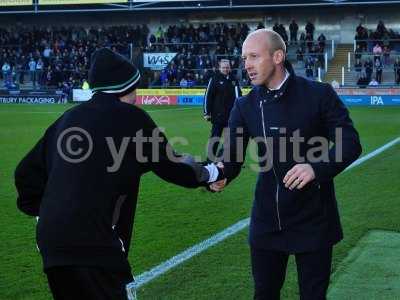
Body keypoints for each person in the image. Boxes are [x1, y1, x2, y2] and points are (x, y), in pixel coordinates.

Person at [15, 48, 223, 300]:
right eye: (135, 89)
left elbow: (25, 175)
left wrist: (45, 211)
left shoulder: (65, 120)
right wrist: (212, 173)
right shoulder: (131, 118)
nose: (136, 97)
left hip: (52, 246)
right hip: (96, 244)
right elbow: (172, 165)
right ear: (125, 87)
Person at [209, 29, 362, 299]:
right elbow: (231, 157)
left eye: (254, 56)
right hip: (267, 218)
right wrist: (218, 173)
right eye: (245, 58)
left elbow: (349, 141)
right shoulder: (244, 105)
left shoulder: (318, 94)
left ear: (278, 56)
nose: (247, 65)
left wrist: (315, 167)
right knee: (264, 293)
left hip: (314, 217)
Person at [203, 59, 241, 161]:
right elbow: (208, 96)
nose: (225, 69)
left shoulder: (234, 80)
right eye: (223, 67)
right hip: (218, 116)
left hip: (231, 116)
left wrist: (240, 113)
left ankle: (227, 160)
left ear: (230, 67)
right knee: (215, 138)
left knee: (231, 139)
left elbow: (239, 97)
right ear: (220, 68)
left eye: (227, 67)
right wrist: (207, 112)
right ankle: (209, 160)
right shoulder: (214, 79)